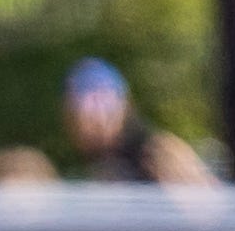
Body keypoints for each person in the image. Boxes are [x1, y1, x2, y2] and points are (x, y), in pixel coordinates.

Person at [61, 59, 211, 188]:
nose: (99, 120)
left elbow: (209, 209)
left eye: (107, 110)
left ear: (126, 107)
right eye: (88, 115)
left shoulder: (161, 153)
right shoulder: (100, 166)